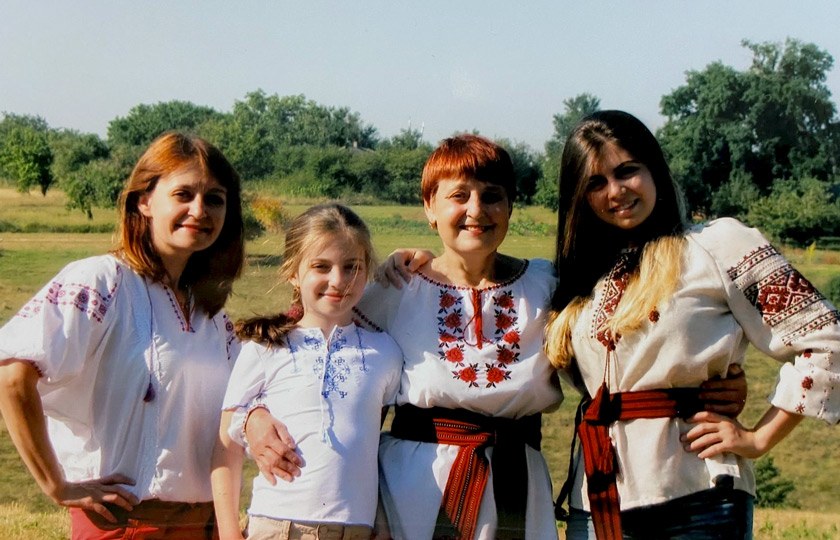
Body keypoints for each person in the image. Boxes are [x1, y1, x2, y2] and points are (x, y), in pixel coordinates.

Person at [242, 134, 748, 540]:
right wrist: (254, 415)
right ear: (429, 207)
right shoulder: (393, 288)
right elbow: (311, 346)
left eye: (492, 195)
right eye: (458, 196)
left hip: (516, 480)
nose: (476, 210)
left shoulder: (549, 283)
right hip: (415, 482)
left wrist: (713, 384)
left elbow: (623, 347)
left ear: (511, 206)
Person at [544, 110, 840, 539]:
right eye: (596, 183)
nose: (616, 191)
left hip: (698, 498)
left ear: (654, 170)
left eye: (628, 171)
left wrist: (758, 438)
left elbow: (826, 337)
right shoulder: (577, 278)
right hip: (597, 504)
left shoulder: (719, 246)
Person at [0, 132, 245, 539]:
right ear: (144, 201)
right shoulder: (102, 281)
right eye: (183, 194)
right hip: (125, 524)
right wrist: (56, 484)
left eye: (215, 199)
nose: (199, 210)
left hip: (203, 524)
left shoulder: (213, 316)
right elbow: (12, 374)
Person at [211, 203, 402, 540]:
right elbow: (227, 442)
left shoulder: (385, 351)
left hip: (355, 530)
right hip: (277, 526)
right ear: (292, 272)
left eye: (351, 266)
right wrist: (228, 532)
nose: (337, 280)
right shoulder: (265, 347)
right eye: (321, 266)